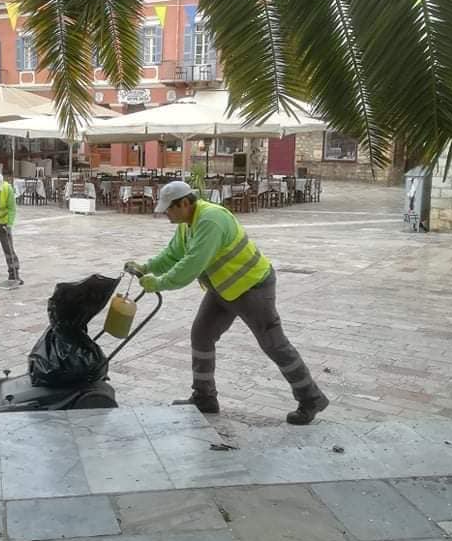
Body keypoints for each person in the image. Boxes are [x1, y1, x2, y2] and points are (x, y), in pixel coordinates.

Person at [125, 181, 328, 425]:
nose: (165, 213)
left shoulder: (210, 220)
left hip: (252, 288)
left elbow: (191, 266)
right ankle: (204, 398)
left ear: (185, 203)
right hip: (223, 289)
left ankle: (311, 397)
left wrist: (158, 283)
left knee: (273, 343)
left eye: (169, 208)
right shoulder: (186, 224)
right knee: (201, 335)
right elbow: (172, 254)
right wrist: (146, 267)